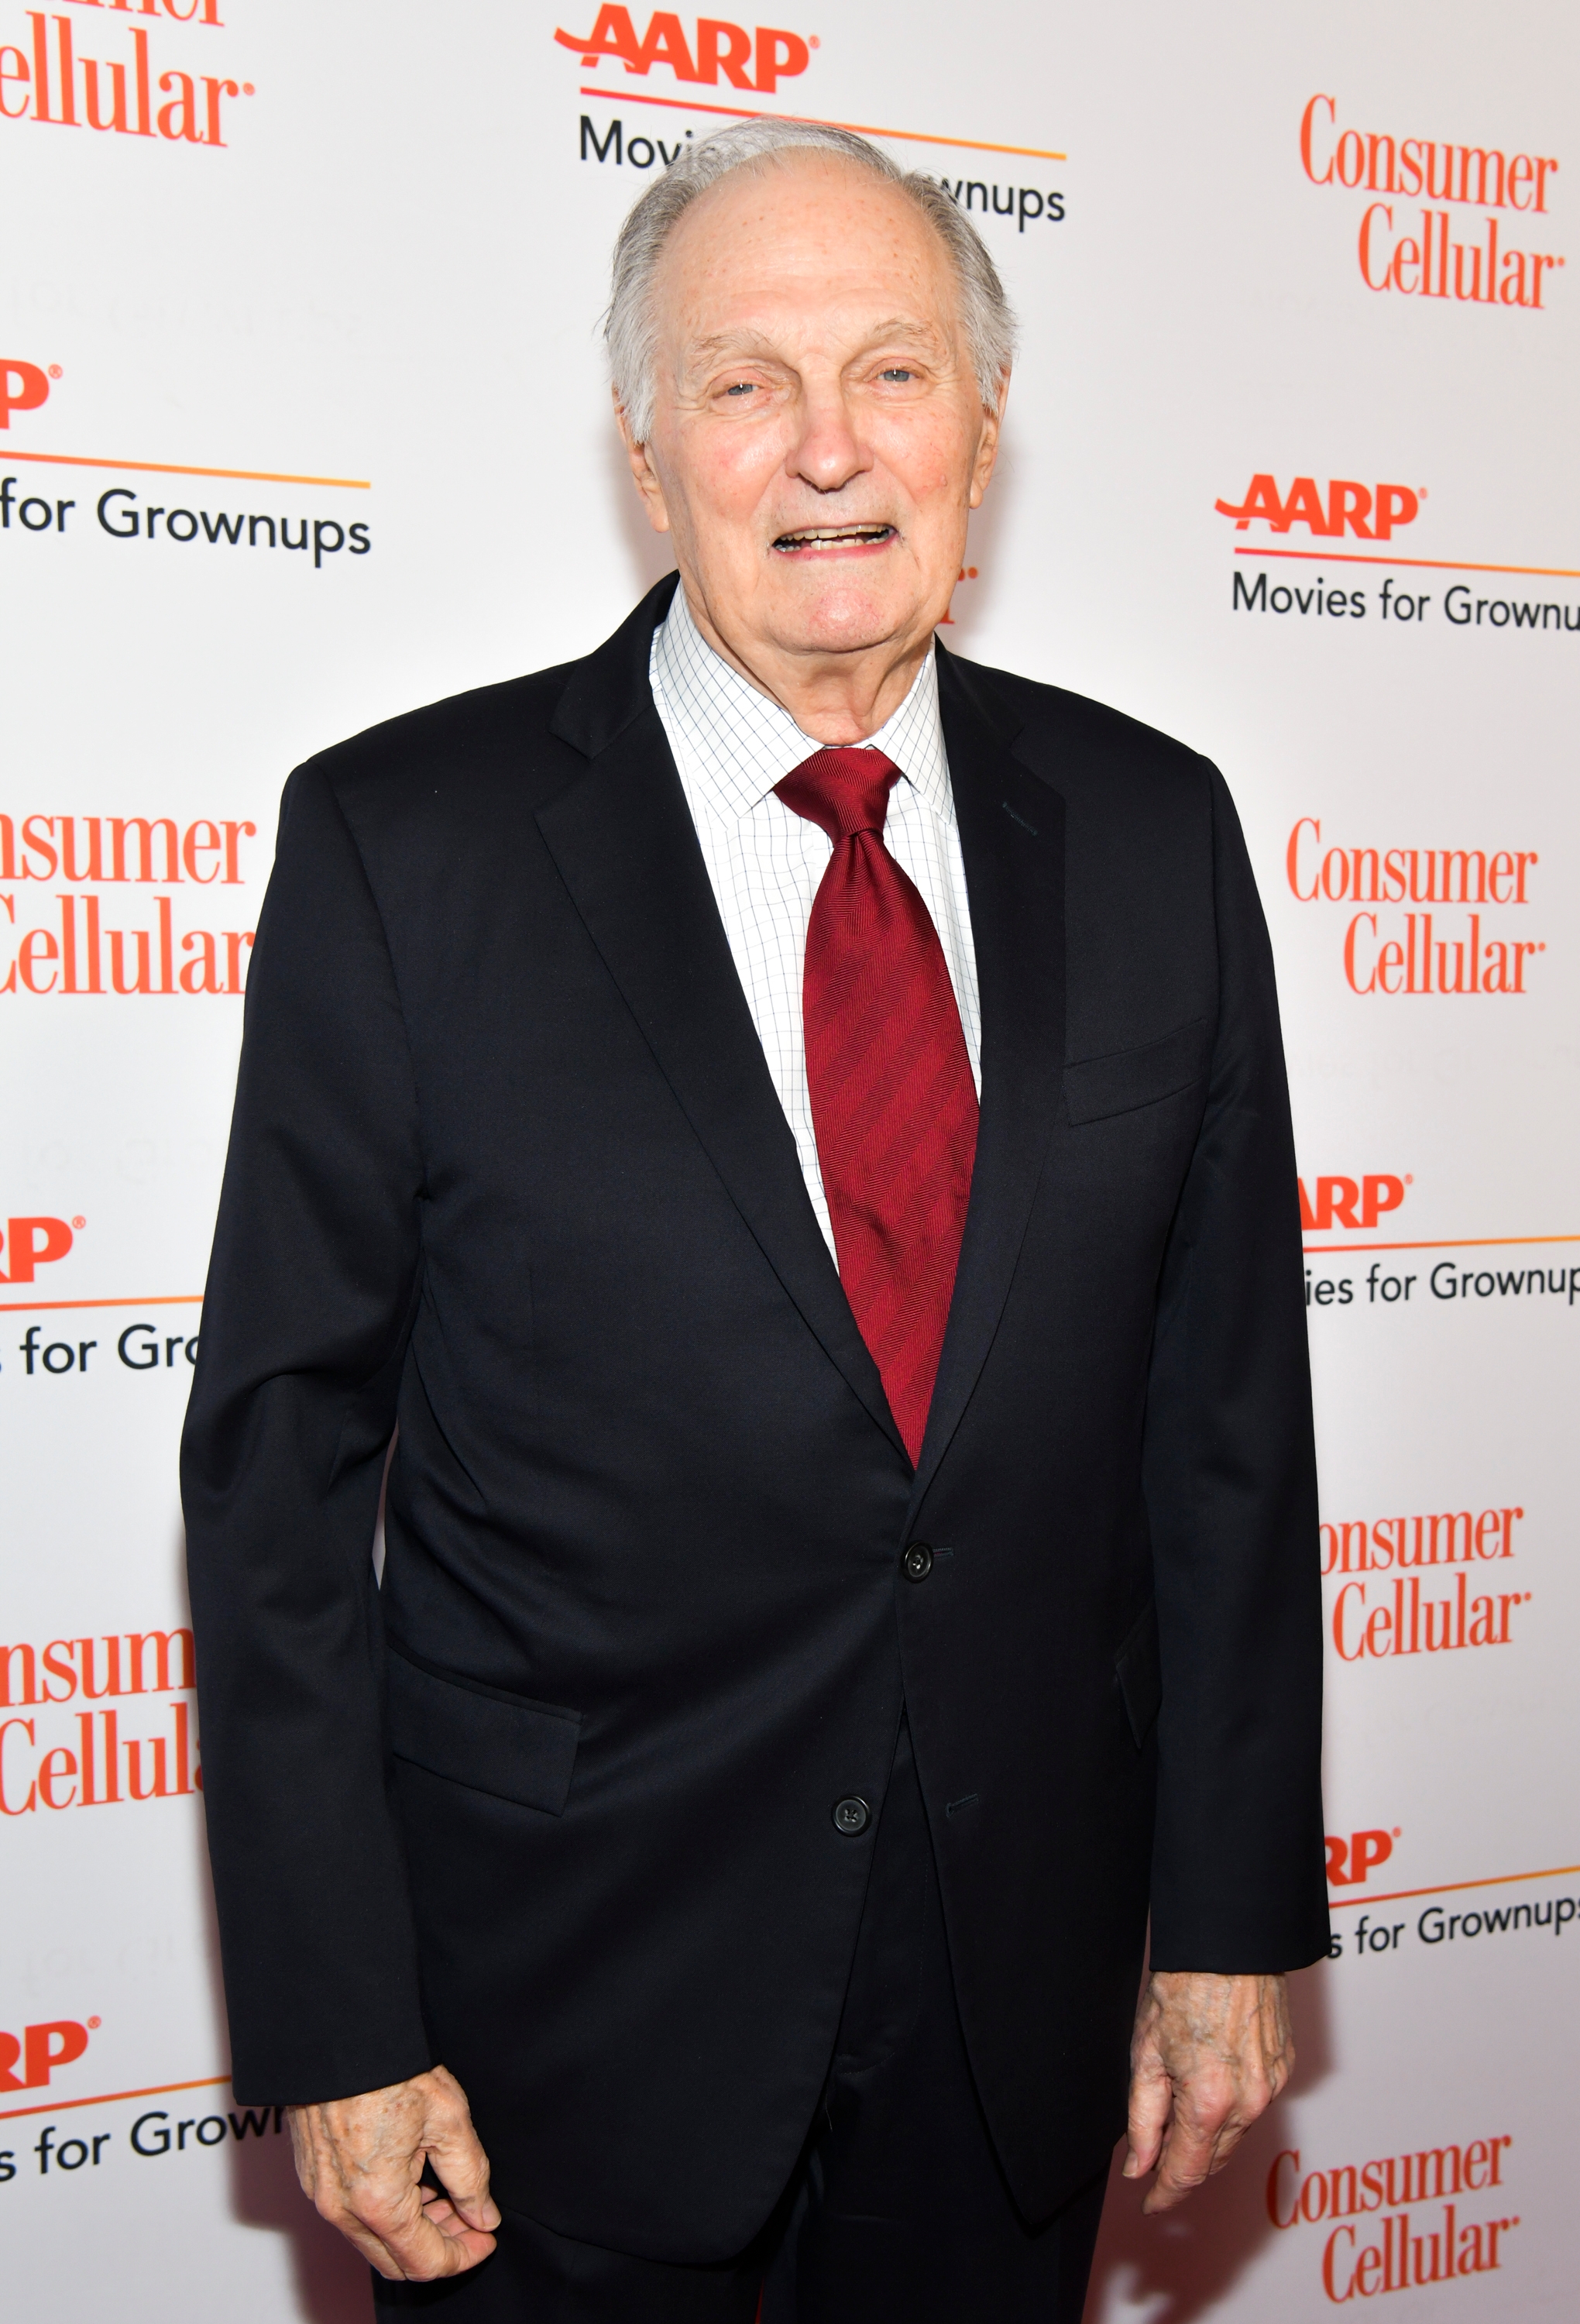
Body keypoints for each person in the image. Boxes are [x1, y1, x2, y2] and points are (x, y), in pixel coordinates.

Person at [181, 119, 1328, 2323]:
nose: (827, 448)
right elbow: (279, 1481)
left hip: (1020, 2002)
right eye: (744, 382)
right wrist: (336, 2020)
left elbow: (1226, 1433)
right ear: (646, 444)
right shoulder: (402, 849)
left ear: (982, 436)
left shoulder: (1159, 829)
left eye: (893, 373)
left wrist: (1228, 1914)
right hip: (556, 2020)